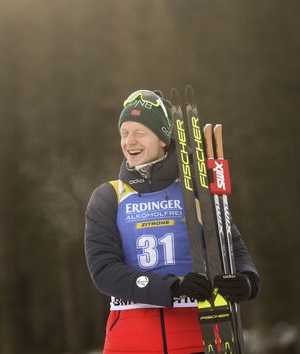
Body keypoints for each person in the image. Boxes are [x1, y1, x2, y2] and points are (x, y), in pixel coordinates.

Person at [84, 89, 261, 354]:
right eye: (124, 133)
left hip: (199, 334)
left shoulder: (199, 192)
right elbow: (104, 272)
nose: (129, 141)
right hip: (130, 340)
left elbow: (234, 250)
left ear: (164, 138)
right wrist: (171, 287)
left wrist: (247, 281)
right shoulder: (108, 196)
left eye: (139, 132)